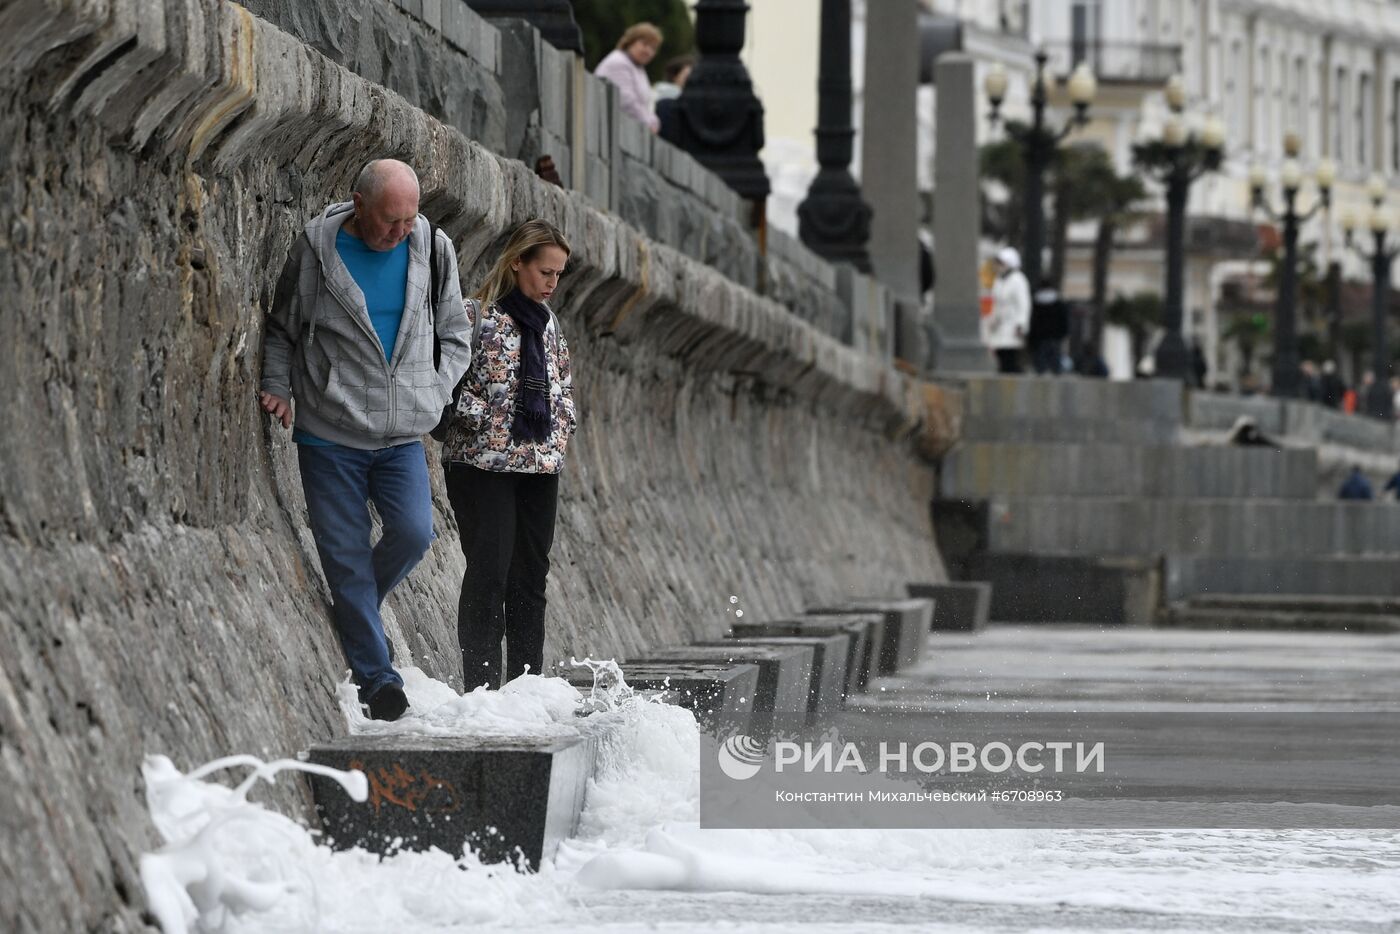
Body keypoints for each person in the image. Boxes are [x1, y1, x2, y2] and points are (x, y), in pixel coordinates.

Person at [260, 160, 474, 721]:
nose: (399, 231)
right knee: (347, 557)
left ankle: (357, 612)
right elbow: (282, 328)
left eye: (408, 219)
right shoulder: (316, 248)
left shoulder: (432, 246)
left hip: (403, 435)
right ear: (358, 203)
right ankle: (379, 682)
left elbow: (456, 333)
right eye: (388, 220)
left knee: (413, 533)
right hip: (329, 435)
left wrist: (435, 389)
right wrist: (277, 386)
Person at [443, 220, 579, 690]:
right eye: (545, 272)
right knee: (489, 575)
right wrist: (483, 415)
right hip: (483, 466)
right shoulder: (474, 317)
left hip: (540, 467)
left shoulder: (550, 325)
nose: (552, 284)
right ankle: (481, 692)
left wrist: (563, 425)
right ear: (517, 262)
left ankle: (526, 689)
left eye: (559, 274)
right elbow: (440, 386)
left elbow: (561, 383)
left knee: (531, 579)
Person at [594, 23, 662, 133]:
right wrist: (649, 122)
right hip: (607, 129)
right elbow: (626, 101)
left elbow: (646, 104)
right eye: (645, 44)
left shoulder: (637, 67)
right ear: (631, 42)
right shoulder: (619, 63)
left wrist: (654, 121)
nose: (648, 51)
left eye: (653, 48)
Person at [987, 246, 1030, 374]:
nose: (998, 266)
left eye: (1001, 263)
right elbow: (996, 302)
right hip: (1000, 324)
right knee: (1000, 353)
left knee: (1010, 355)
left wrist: (1021, 324)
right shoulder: (999, 281)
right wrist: (993, 319)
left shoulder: (1018, 280)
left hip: (1012, 323)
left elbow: (1023, 304)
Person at [1027, 280, 1069, 375]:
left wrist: (1031, 337)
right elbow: (1064, 320)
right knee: (1055, 361)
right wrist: (1063, 333)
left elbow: (1033, 321)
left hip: (1039, 337)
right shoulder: (1059, 303)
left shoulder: (1035, 303)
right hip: (1055, 336)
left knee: (1040, 362)